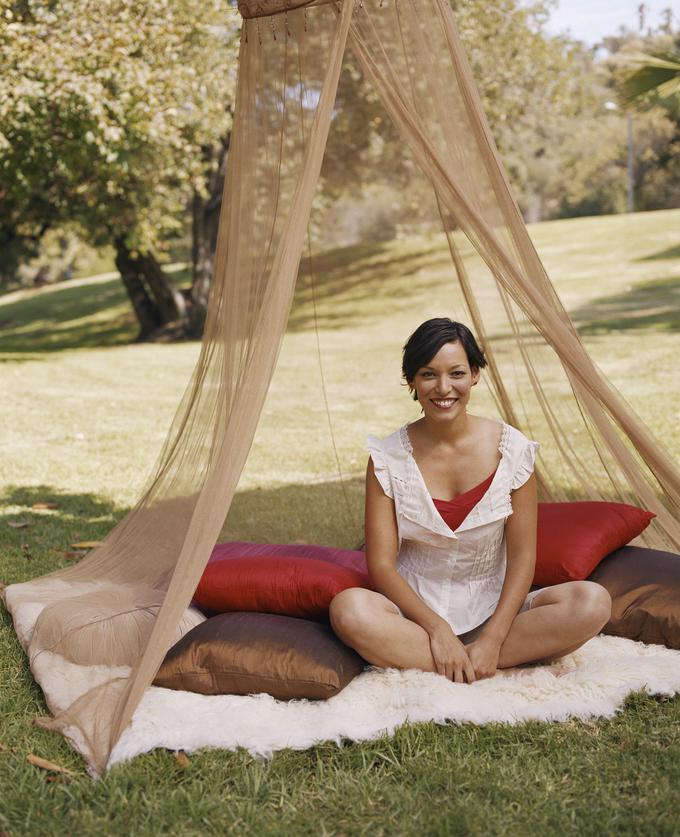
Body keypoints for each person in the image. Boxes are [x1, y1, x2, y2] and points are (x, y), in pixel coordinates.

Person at [329, 318, 612, 684]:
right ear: (412, 380)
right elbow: (381, 566)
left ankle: (474, 658)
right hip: (413, 619)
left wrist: (494, 636)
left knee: (593, 602)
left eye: (457, 373)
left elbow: (524, 558)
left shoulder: (514, 451)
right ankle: (471, 664)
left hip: (496, 614)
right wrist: (438, 630)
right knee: (349, 610)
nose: (443, 388)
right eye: (428, 374)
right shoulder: (386, 458)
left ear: (475, 374)